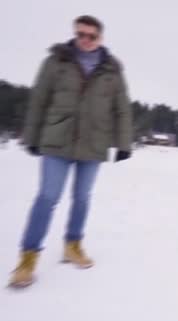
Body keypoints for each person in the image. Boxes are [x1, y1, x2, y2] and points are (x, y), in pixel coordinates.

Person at [9, 15, 133, 288]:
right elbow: (39, 100)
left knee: (82, 198)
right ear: (75, 34)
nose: (85, 40)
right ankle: (28, 257)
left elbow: (122, 108)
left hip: (94, 143)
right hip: (57, 141)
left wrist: (124, 143)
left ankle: (72, 245)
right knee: (47, 197)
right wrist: (32, 137)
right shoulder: (57, 62)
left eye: (91, 36)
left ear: (100, 37)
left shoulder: (112, 70)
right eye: (81, 34)